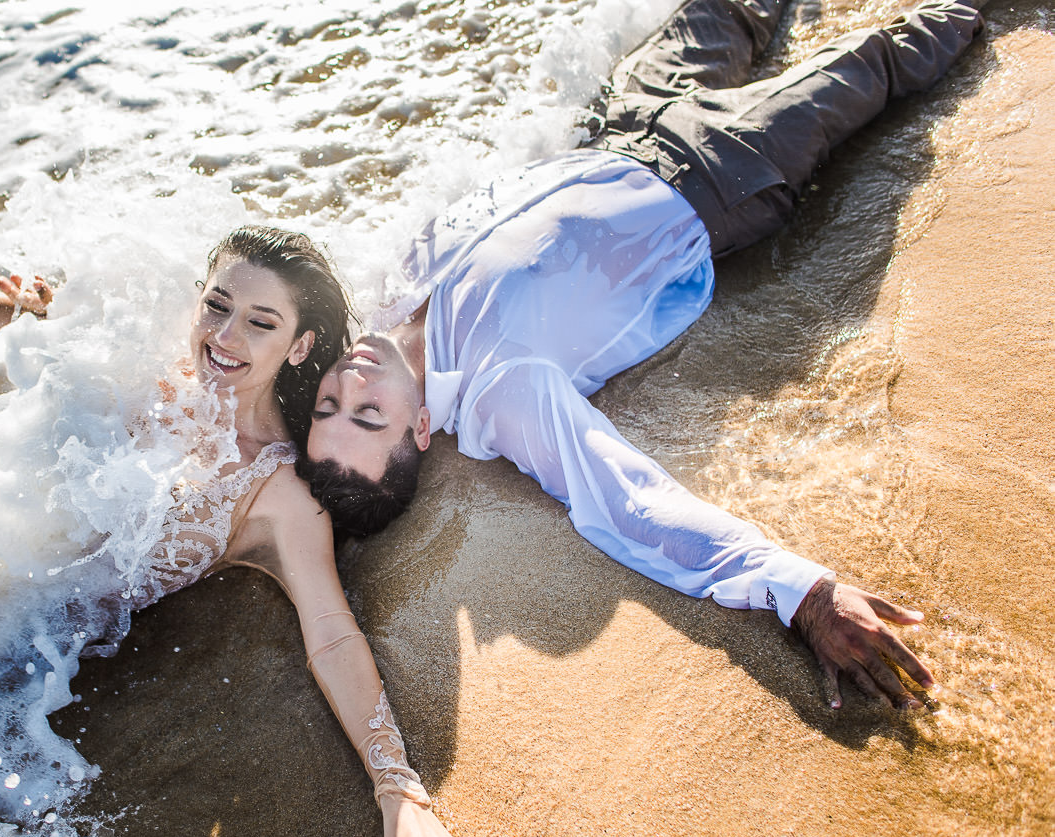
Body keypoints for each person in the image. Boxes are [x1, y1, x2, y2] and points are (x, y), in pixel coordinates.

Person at [301, 0, 986, 711]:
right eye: (368, 415)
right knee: (884, 55)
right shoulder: (499, 392)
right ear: (417, 430)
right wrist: (803, 593)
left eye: (330, 404)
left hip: (623, 123)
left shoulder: (379, 301)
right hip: (720, 167)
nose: (350, 384)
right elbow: (628, 501)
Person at [0, 229, 509, 837]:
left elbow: (330, 630)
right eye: (217, 306)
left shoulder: (278, 490)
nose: (225, 336)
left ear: (300, 345)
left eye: (261, 323)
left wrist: (399, 789)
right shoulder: (168, 368)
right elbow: (55, 354)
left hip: (5, 643)